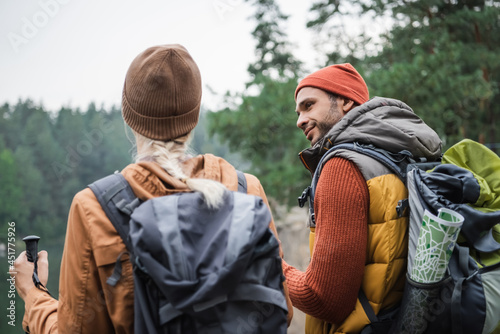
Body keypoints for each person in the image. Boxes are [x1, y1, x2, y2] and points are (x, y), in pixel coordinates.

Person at [11, 44, 292, 333]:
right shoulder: (246, 190)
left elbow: (78, 330)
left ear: (128, 115)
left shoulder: (93, 206)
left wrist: (33, 295)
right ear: (194, 117)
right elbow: (280, 308)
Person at [282, 64, 442, 333]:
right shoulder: (399, 157)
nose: (300, 120)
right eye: (298, 112)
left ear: (345, 101)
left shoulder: (342, 167)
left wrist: (268, 265)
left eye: (309, 105)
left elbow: (324, 299)